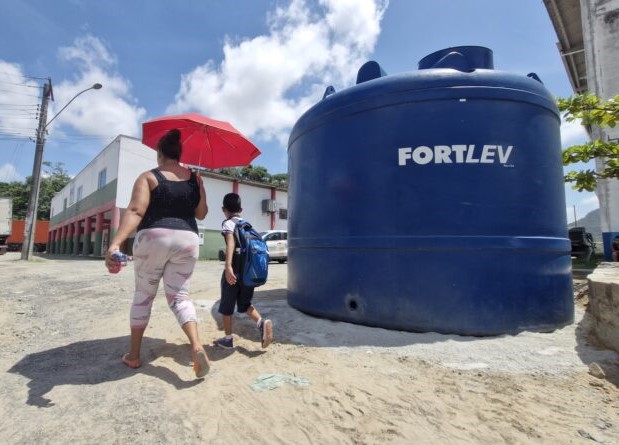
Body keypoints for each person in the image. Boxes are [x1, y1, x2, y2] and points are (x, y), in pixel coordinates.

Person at [105, 129, 210, 378]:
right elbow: (202, 214)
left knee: (144, 296)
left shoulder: (148, 177)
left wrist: (115, 244)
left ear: (160, 154)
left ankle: (133, 356)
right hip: (187, 239)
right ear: (179, 153)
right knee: (180, 297)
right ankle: (196, 346)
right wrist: (200, 187)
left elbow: (135, 211)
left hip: (154, 237)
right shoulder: (195, 180)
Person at [214, 192, 273, 349]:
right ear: (241, 209)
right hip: (248, 272)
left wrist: (228, 266)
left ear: (223, 209)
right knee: (245, 303)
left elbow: (231, 243)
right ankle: (261, 322)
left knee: (226, 305)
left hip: (235, 270)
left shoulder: (228, 223)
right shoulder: (248, 225)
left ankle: (228, 339)